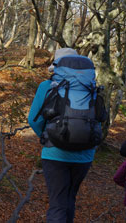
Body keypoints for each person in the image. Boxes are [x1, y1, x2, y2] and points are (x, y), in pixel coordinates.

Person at [28, 47, 105, 223]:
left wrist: (48, 135)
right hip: (84, 155)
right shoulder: (91, 88)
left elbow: (33, 120)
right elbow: (99, 119)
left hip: (54, 153)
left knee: (57, 203)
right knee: (69, 199)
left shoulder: (47, 86)